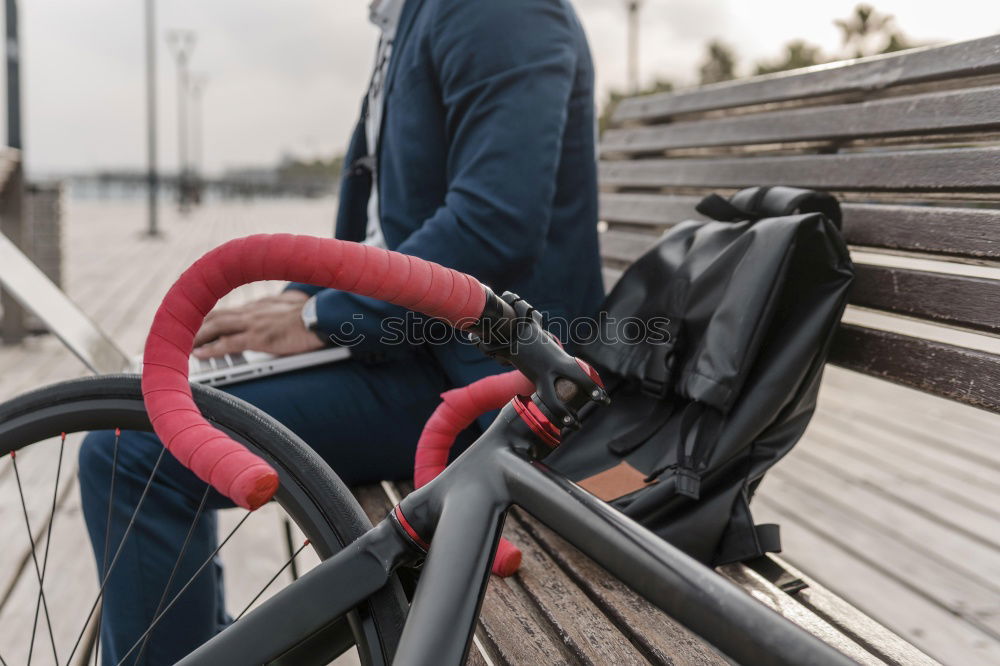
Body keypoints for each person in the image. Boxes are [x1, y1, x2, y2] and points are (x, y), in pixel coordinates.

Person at [78, 0, 603, 663]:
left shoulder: (495, 9)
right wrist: (302, 296)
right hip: (421, 350)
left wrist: (323, 319)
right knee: (154, 405)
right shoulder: (413, 16)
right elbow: (380, 218)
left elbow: (494, 223)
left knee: (132, 450)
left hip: (484, 378)